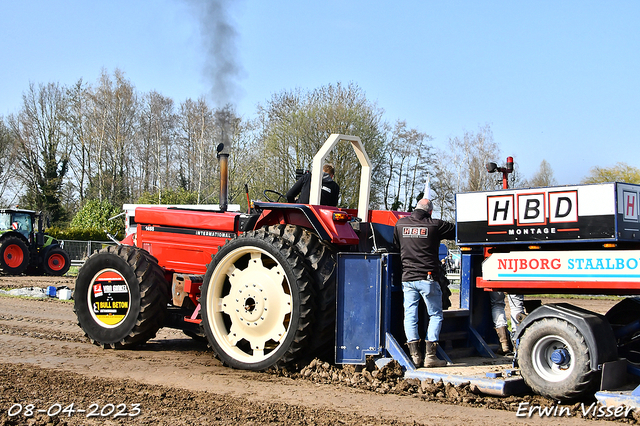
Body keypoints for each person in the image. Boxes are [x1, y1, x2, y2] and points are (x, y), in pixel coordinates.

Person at [393, 198, 455, 368]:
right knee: (435, 315)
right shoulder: (435, 225)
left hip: (408, 279)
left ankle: (415, 356)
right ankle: (430, 356)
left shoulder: (400, 224)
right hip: (428, 278)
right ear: (430, 211)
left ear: (415, 208)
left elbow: (397, 246)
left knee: (410, 316)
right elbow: (456, 230)